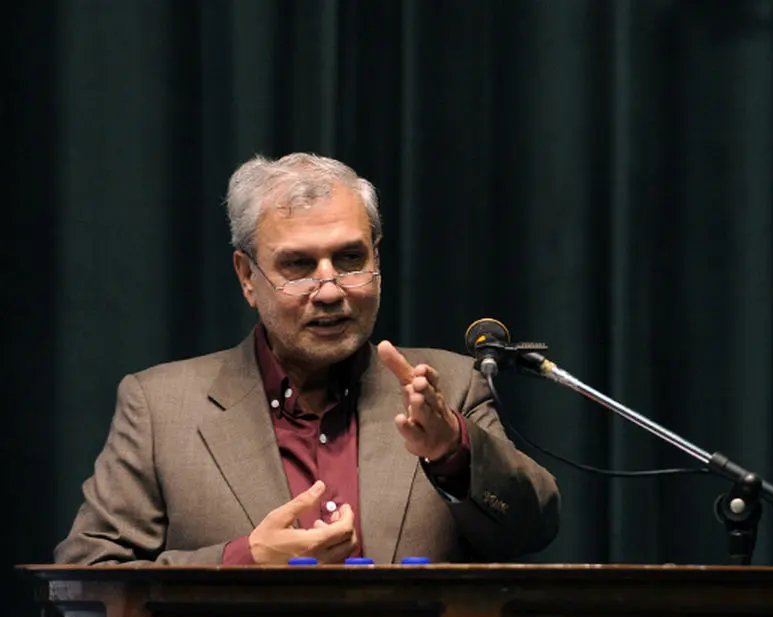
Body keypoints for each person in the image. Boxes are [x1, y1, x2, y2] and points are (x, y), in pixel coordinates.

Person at [54, 153, 560, 565]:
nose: (330, 290)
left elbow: (533, 529)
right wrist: (245, 560)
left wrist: (452, 450)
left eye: (350, 259)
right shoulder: (160, 408)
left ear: (377, 258)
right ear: (247, 277)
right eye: (298, 265)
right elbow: (90, 573)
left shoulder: (449, 386)